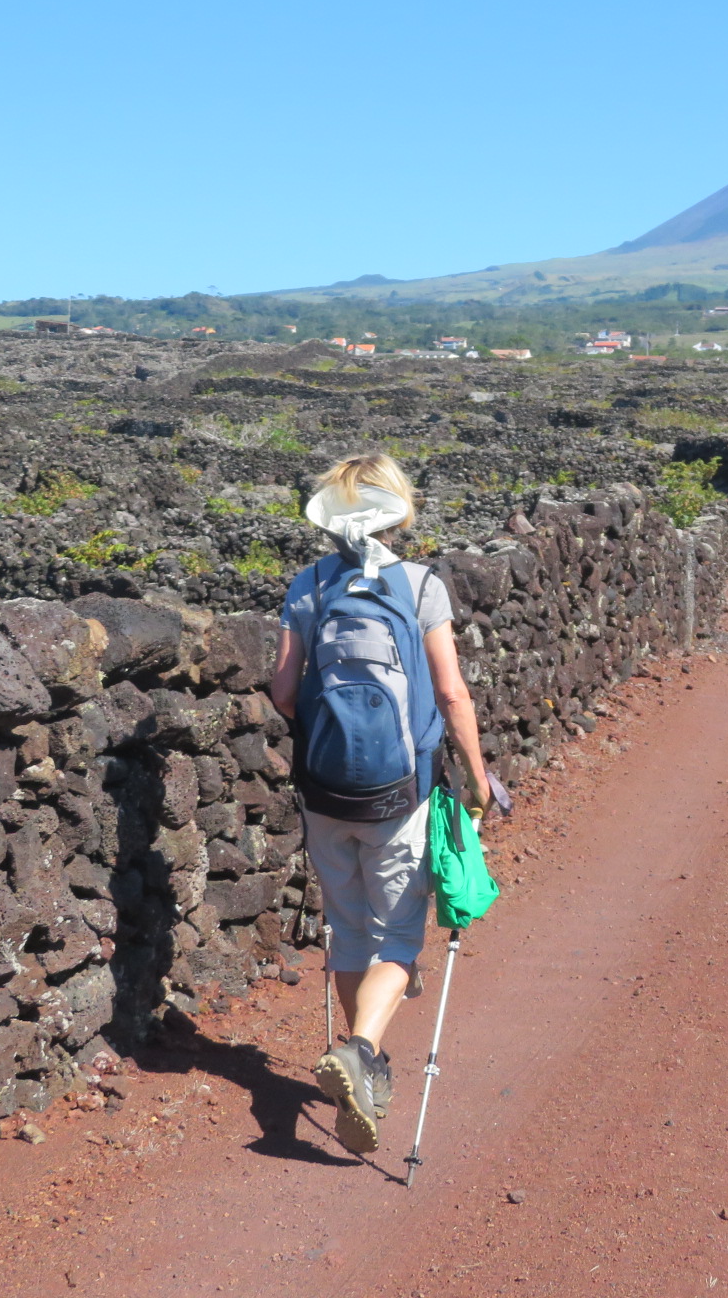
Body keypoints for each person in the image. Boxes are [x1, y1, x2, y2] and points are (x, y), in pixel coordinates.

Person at [270, 453, 491, 1155]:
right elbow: (452, 694)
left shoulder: (307, 585)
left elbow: (280, 692)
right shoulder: (420, 585)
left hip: (323, 787)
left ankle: (358, 1063)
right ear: (397, 512)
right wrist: (479, 782)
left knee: (347, 927)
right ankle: (361, 1049)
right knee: (398, 935)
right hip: (399, 792)